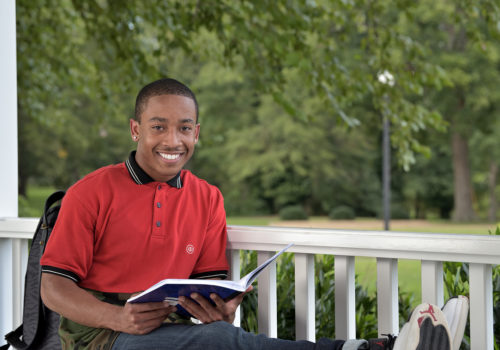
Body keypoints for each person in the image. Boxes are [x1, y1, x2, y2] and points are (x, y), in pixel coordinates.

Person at [40, 78, 467, 350]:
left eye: (185, 127)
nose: (173, 139)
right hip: (102, 336)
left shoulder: (207, 198)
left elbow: (206, 285)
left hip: (174, 327)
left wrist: (218, 306)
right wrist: (119, 318)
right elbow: (53, 288)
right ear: (136, 129)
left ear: (197, 133)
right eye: (158, 126)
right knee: (222, 344)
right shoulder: (90, 192)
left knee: (222, 335)